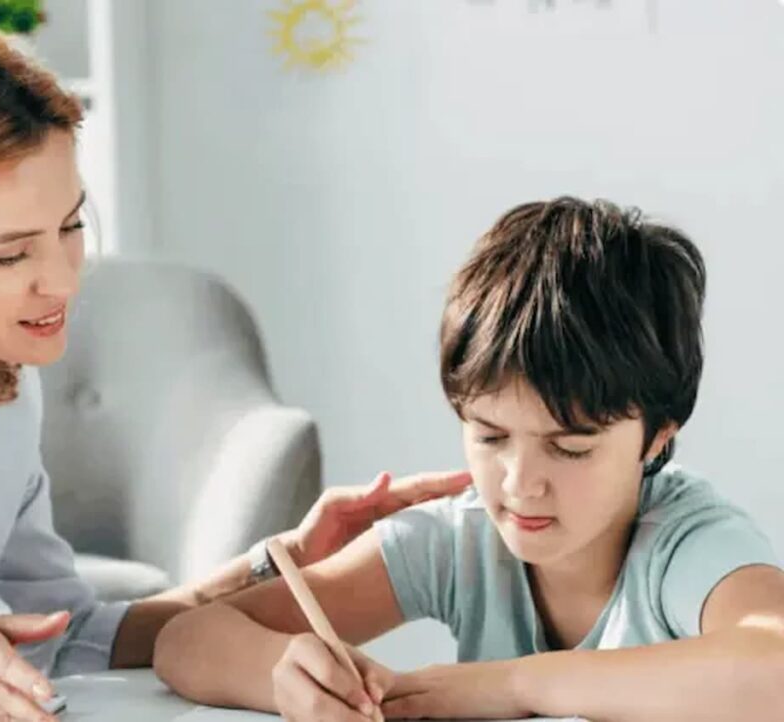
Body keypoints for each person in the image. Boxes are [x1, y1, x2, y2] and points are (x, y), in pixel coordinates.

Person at [0, 26, 474, 722]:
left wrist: (280, 564)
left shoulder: (3, 383)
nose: (63, 282)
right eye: (11, 256)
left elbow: (65, 634)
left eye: (70, 229)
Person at [153, 197, 784, 721]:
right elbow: (187, 639)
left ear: (657, 437)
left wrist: (515, 685)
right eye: (489, 437)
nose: (519, 485)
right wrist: (283, 678)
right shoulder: (461, 536)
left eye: (569, 447)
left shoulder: (685, 542)